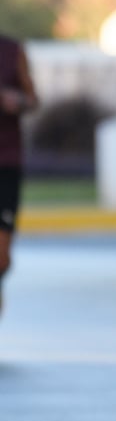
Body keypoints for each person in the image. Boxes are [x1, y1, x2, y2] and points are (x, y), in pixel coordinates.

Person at [0, 35, 39, 315]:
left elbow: (34, 100)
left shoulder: (13, 51)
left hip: (6, 161)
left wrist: (19, 101)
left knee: (1, 256)